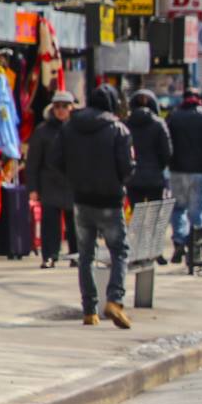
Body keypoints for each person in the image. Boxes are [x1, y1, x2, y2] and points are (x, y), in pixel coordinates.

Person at [50, 85, 134, 327]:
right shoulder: (119, 129)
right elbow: (127, 168)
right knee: (119, 251)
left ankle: (90, 310)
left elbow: (55, 160)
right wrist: (118, 180)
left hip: (82, 200)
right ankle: (114, 301)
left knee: (86, 255)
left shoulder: (69, 127)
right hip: (110, 200)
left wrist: (74, 180)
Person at [165, 88, 202, 263]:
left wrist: (172, 161)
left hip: (177, 170)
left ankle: (179, 240)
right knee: (198, 209)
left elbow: (167, 143)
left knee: (178, 208)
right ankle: (195, 247)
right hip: (200, 170)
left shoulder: (173, 117)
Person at [24, 90, 78, 268]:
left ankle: (76, 255)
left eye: (65, 106)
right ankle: (49, 256)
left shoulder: (78, 129)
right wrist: (32, 188)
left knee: (75, 224)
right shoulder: (42, 131)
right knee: (50, 225)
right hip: (50, 184)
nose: (61, 110)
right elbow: (33, 162)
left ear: (72, 107)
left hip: (73, 184)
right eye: (57, 107)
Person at [125, 89, 172, 207]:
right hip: (155, 177)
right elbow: (167, 152)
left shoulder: (126, 124)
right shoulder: (159, 124)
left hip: (133, 178)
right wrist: (159, 167)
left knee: (136, 217)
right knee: (154, 217)